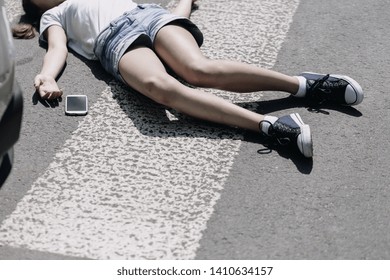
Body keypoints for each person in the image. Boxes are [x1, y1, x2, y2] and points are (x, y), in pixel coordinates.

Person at [12, 0, 364, 158]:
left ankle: (306, 85)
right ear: (35, 6)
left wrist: (185, 3)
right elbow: (56, 49)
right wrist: (46, 76)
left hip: (148, 17)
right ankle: (271, 126)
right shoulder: (53, 16)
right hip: (113, 42)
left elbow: (164, 13)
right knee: (162, 90)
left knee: (198, 69)